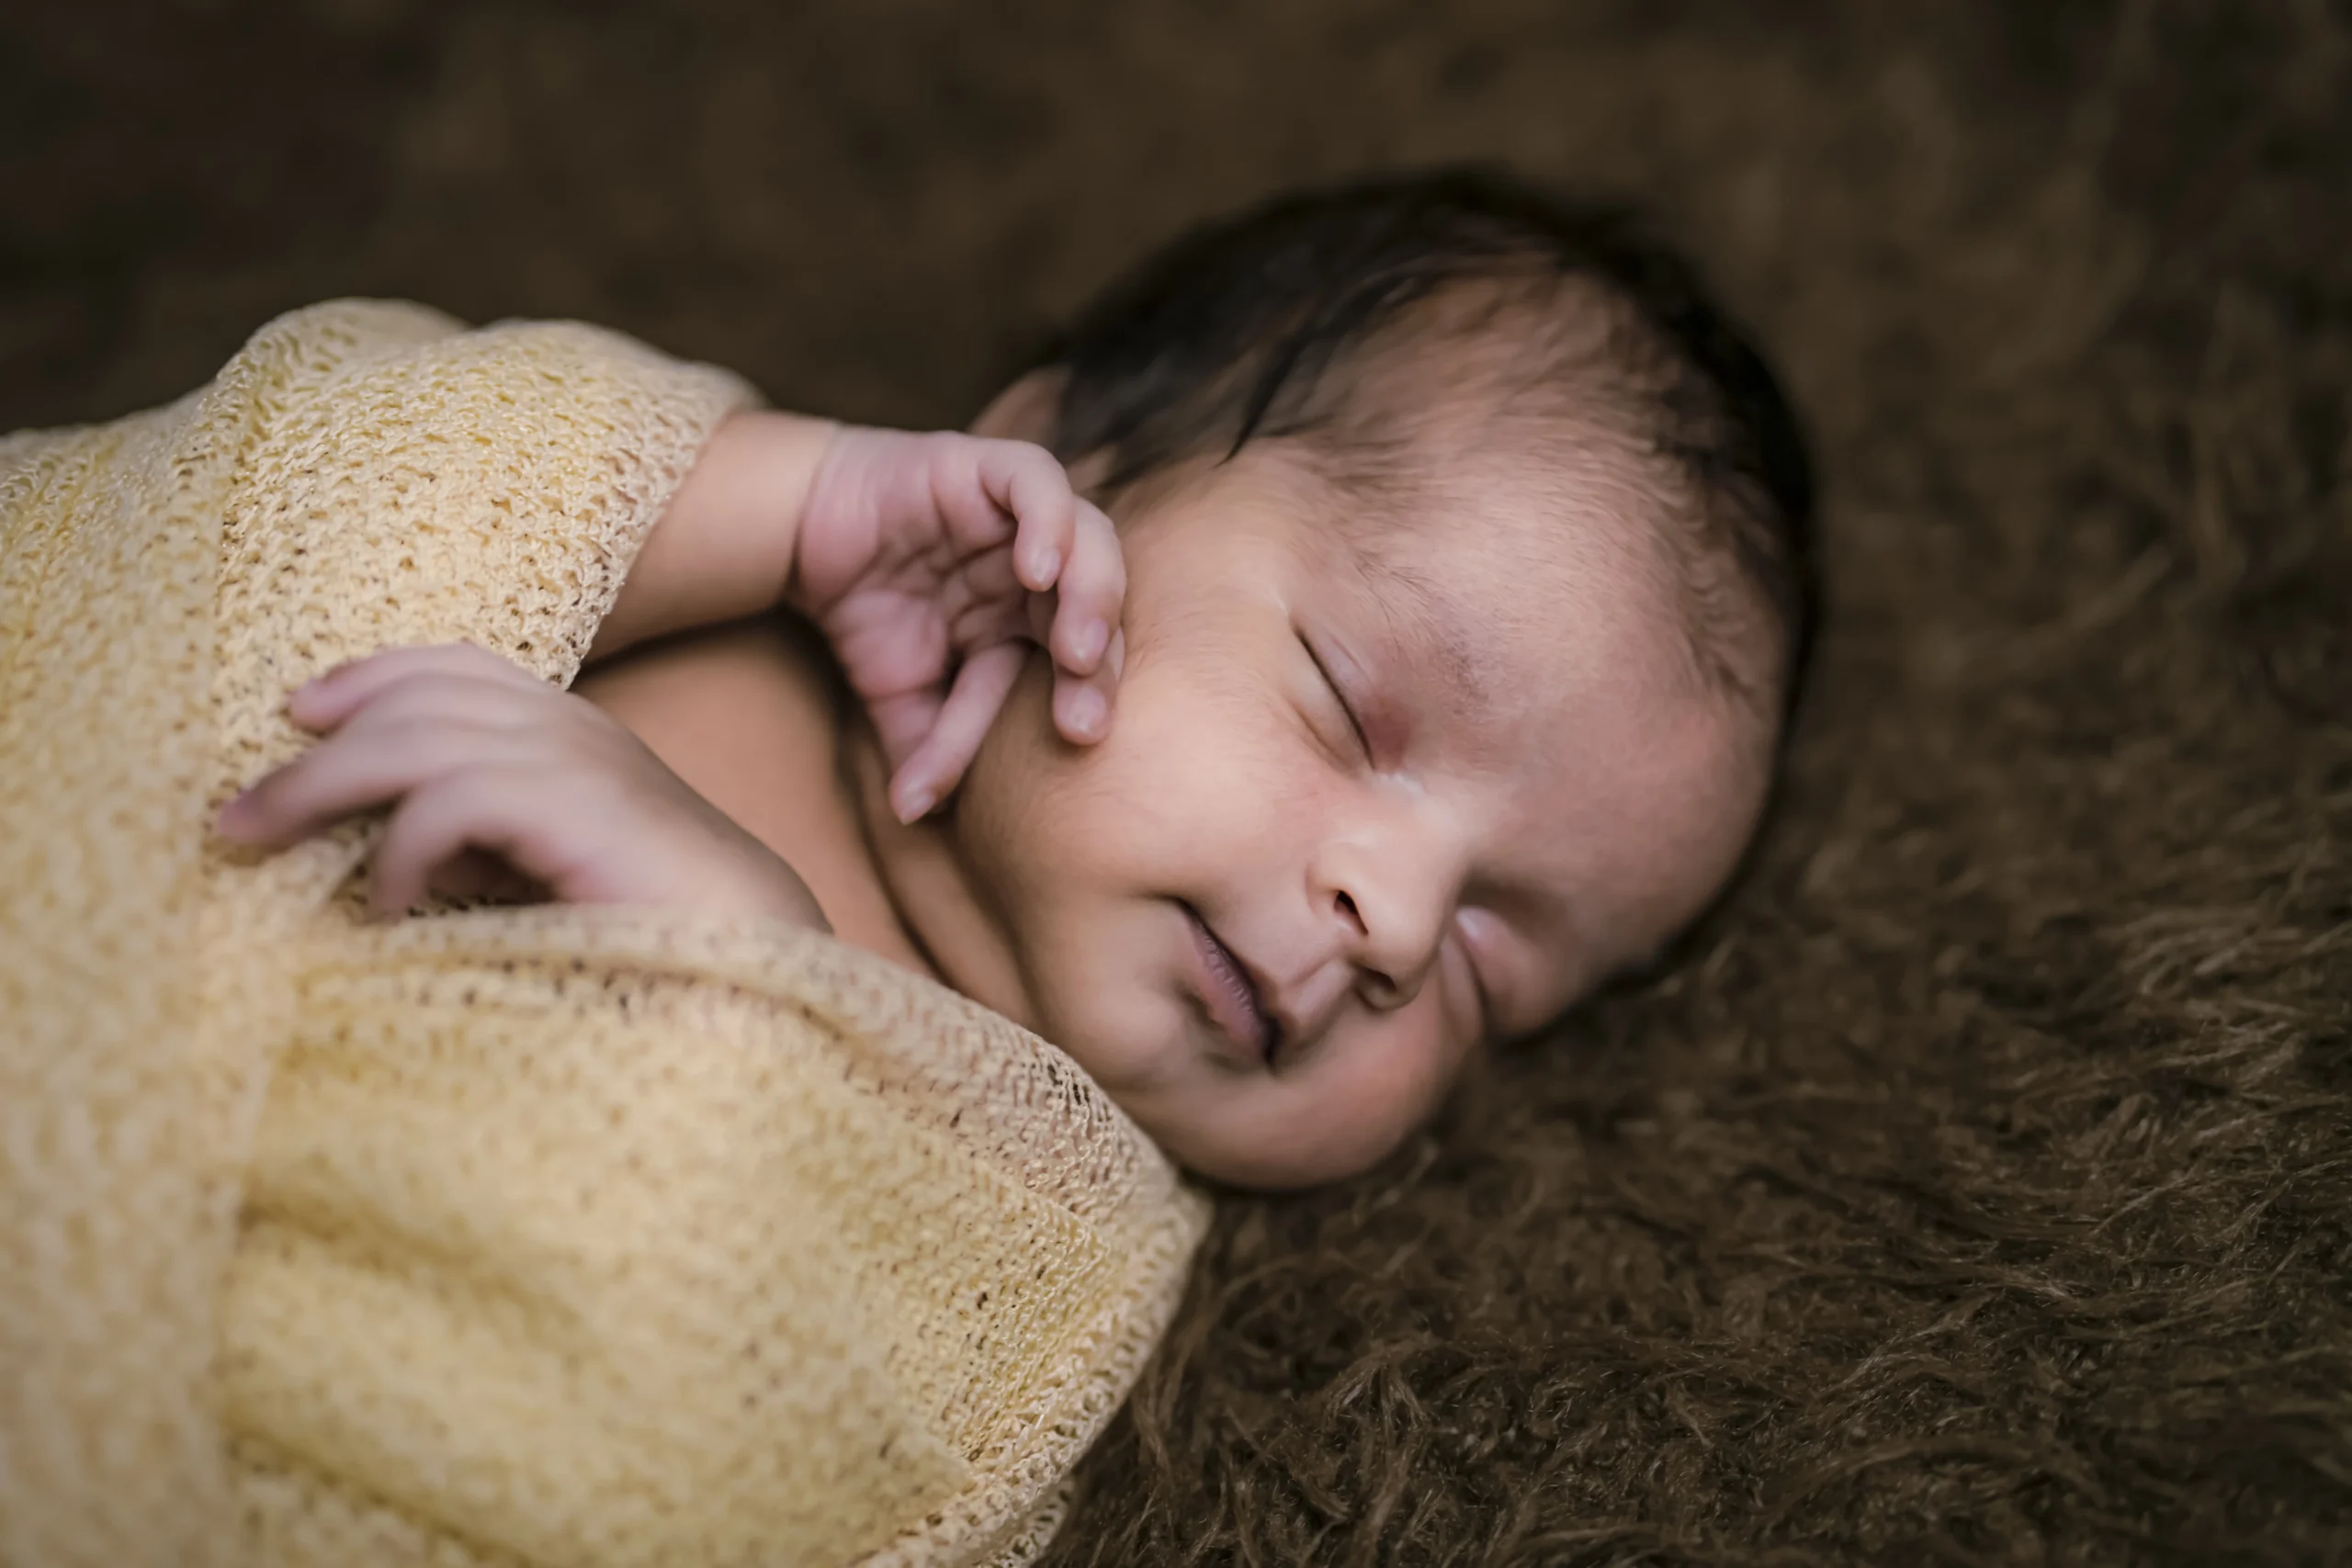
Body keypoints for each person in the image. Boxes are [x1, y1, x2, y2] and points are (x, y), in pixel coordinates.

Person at [215, 167, 1816, 1190]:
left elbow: (786, 1435)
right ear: (1051, 471)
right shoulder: (710, 552)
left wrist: (755, 985)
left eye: (1492, 969)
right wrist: (783, 502)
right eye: (1346, 699)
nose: (1394, 923)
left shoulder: (1048, 1202)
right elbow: (302, 500)